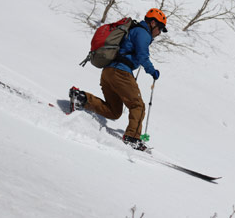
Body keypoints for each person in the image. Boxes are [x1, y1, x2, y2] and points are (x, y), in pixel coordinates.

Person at [69, 8, 167, 151]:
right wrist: (152, 71)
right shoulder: (143, 33)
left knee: (114, 111)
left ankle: (82, 99)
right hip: (121, 73)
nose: (159, 33)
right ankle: (132, 138)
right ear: (153, 23)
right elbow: (142, 56)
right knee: (138, 106)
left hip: (108, 73)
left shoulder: (135, 30)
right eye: (160, 28)